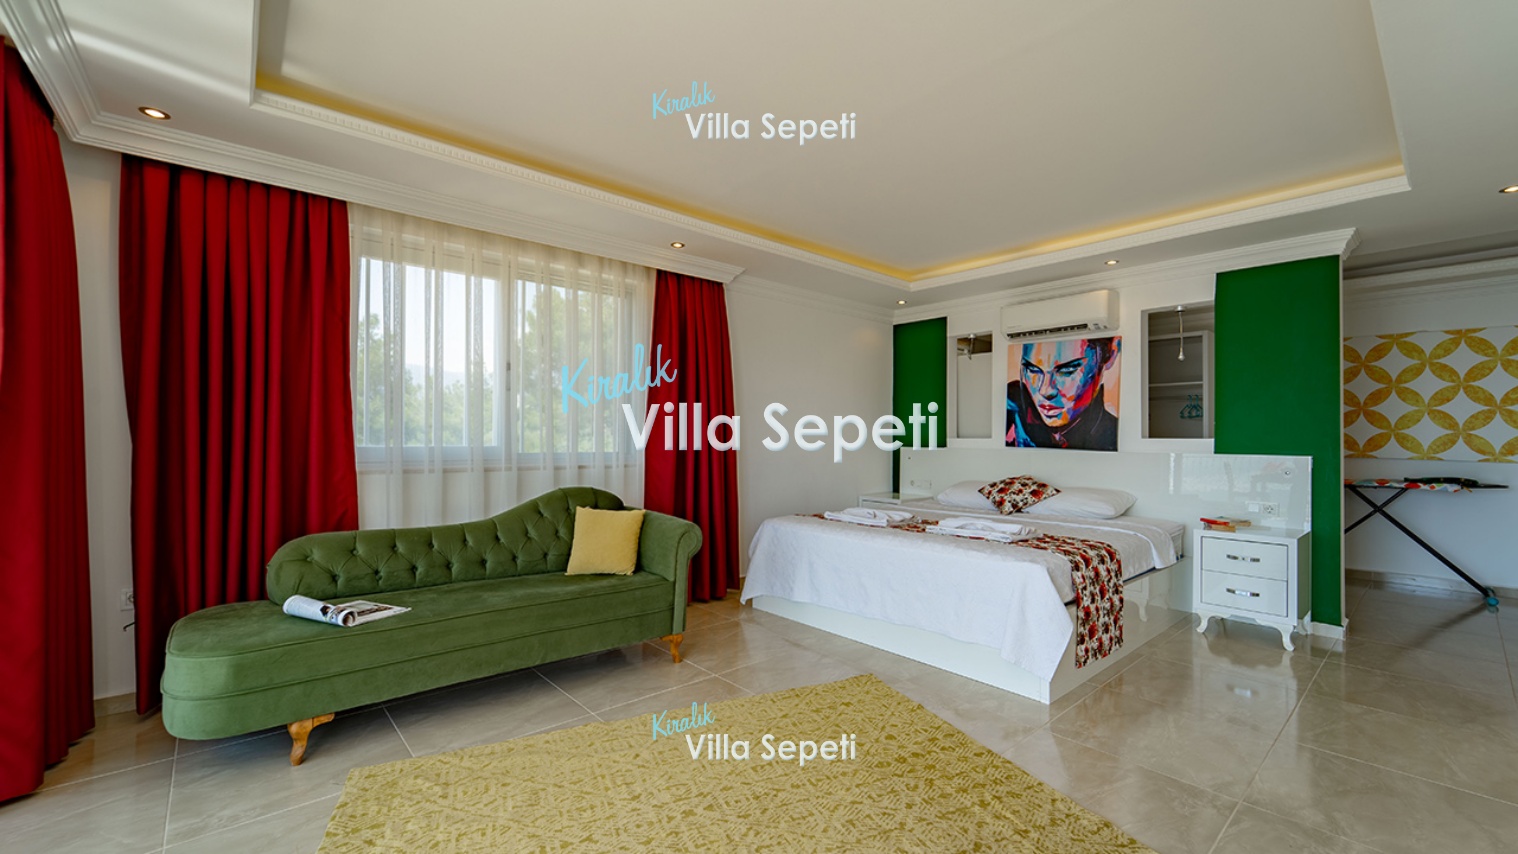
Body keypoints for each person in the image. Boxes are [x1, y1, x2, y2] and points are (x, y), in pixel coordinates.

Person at [1006, 337, 1120, 450]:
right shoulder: (1012, 407)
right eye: (1032, 369)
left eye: (1067, 371)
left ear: (1110, 355)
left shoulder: (1114, 437)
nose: (1045, 390)